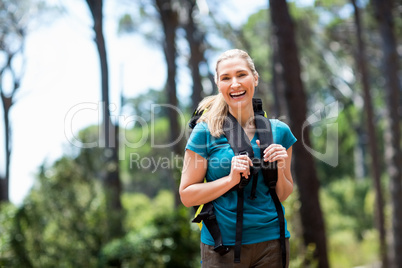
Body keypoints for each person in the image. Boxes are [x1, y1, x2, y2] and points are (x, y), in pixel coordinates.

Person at [179, 49, 297, 267]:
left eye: (241, 74)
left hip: (273, 242)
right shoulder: (205, 132)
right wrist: (230, 180)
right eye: (226, 78)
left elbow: (282, 194)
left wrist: (279, 168)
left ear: (255, 77)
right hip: (222, 246)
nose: (234, 84)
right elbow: (187, 195)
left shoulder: (279, 132)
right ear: (218, 84)